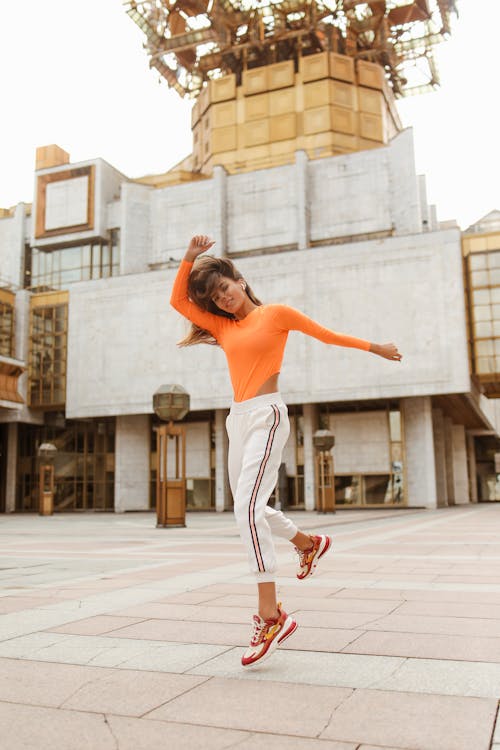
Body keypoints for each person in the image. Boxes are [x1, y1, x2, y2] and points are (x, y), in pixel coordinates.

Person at [170, 235, 403, 667]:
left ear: (240, 281)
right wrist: (188, 259)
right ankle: (308, 543)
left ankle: (270, 615)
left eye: (226, 287)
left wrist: (377, 348)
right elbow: (178, 302)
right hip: (237, 418)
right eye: (216, 296)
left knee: (247, 513)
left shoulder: (275, 315)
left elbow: (327, 335)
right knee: (249, 505)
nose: (222, 298)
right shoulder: (223, 328)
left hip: (268, 415)